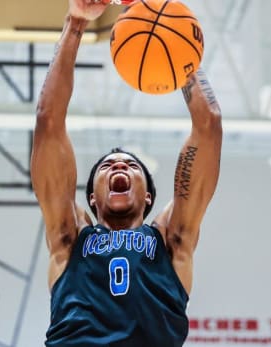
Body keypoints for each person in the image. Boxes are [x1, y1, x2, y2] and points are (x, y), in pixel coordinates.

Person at [30, 0, 222, 345]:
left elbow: (208, 126)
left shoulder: (171, 241)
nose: (119, 165)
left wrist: (177, 46)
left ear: (148, 196)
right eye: (107, 166)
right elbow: (48, 121)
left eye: (132, 166)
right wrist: (75, 22)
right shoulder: (70, 239)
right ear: (91, 198)